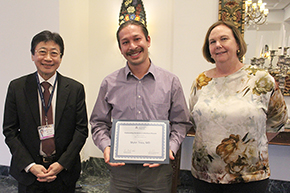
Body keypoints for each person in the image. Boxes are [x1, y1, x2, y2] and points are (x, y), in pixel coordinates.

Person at [90, 20, 192, 193]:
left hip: (157, 172)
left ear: (148, 40)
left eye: (137, 39)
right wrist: (107, 147)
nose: (132, 46)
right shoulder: (109, 83)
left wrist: (169, 148)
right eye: (125, 42)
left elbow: (181, 123)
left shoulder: (170, 82)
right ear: (121, 48)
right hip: (120, 171)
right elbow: (98, 123)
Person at [189, 20, 288, 193]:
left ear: (237, 44)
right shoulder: (200, 82)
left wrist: (251, 144)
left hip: (248, 178)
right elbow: (195, 119)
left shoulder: (262, 79)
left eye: (224, 39)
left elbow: (278, 119)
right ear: (208, 49)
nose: (218, 45)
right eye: (212, 42)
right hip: (204, 176)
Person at [3, 30, 88, 193]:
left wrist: (62, 163)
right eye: (42, 52)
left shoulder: (75, 89)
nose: (48, 58)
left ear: (61, 57)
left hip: (64, 174)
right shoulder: (17, 87)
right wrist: (31, 165)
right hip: (29, 174)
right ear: (32, 55)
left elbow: (81, 130)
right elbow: (10, 131)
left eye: (54, 53)